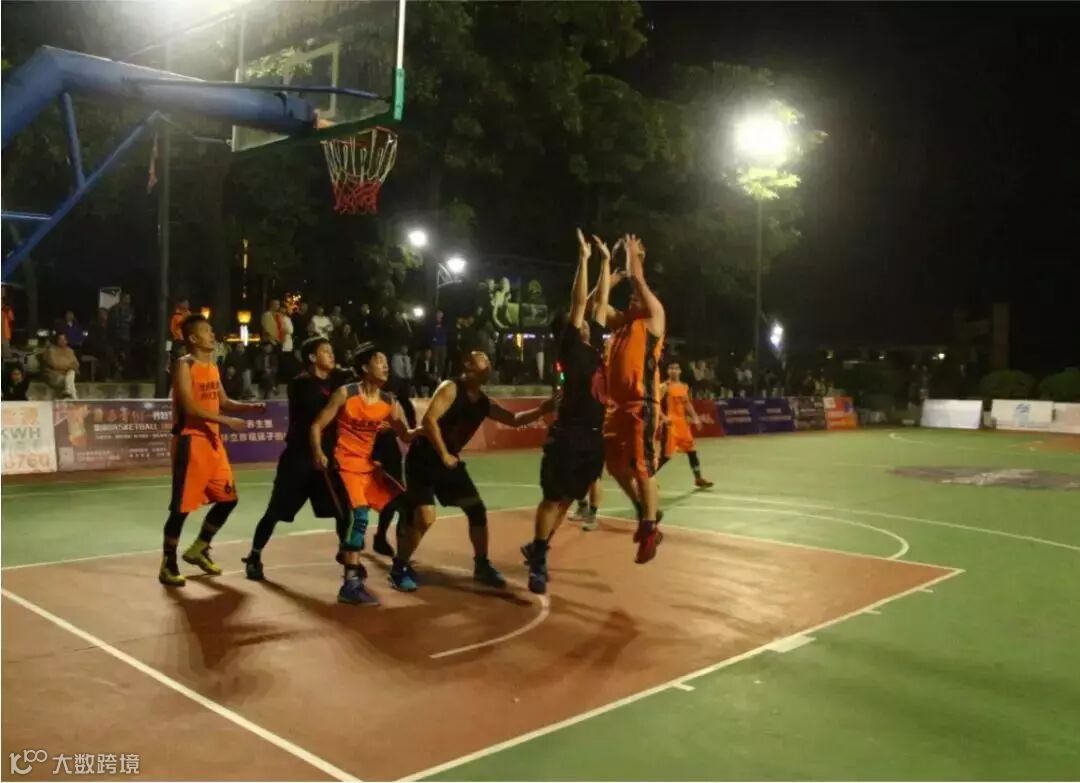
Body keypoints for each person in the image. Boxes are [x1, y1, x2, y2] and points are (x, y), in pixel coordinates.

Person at [390, 351, 557, 592]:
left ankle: (482, 565)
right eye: (481, 362)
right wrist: (444, 453)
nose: (486, 366)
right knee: (425, 517)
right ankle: (399, 567)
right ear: (467, 366)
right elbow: (429, 421)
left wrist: (542, 410)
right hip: (423, 459)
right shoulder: (450, 388)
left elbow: (513, 419)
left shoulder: (483, 402)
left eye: (488, 364)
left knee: (476, 510)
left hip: (449, 462)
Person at [521, 229, 609, 595]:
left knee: (571, 496)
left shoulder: (594, 345)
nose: (587, 320)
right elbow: (580, 303)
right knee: (553, 498)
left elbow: (600, 302)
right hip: (569, 435)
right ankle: (539, 559)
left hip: (593, 437)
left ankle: (537, 547)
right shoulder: (571, 347)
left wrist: (607, 262)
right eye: (580, 320)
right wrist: (584, 260)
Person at [159, 314, 264, 587]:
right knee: (181, 508)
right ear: (193, 338)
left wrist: (248, 407)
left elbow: (224, 401)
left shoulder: (213, 366)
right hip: (190, 442)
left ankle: (199, 547)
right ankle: (168, 564)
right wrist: (226, 420)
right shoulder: (184, 365)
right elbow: (189, 407)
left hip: (213, 443)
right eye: (206, 331)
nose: (212, 334)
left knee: (228, 499)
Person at [310, 347, 417, 605]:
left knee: (408, 508)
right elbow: (316, 425)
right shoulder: (346, 394)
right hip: (345, 465)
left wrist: (427, 429)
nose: (385, 366)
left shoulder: (388, 402)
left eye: (386, 361)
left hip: (369, 468)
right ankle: (350, 584)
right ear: (365, 368)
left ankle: (399, 567)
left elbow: (405, 434)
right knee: (359, 518)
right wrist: (318, 452)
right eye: (379, 361)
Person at [242, 337, 353, 581]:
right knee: (275, 512)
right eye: (325, 351)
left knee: (343, 510)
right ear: (312, 357)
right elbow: (319, 411)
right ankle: (254, 555)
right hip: (299, 458)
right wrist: (341, 394)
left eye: (332, 351)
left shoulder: (336, 381)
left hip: (326, 457)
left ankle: (347, 555)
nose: (331, 355)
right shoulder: (302, 384)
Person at [593, 234, 666, 564]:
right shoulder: (622, 322)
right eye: (632, 294)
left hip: (642, 405)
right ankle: (643, 510)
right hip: (616, 408)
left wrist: (633, 258)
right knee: (614, 466)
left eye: (639, 292)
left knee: (641, 466)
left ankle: (649, 529)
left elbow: (639, 279)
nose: (635, 295)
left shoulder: (654, 316)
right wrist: (612, 273)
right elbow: (595, 305)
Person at [658, 361, 713, 489]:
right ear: (667, 371)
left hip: (683, 425)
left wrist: (695, 418)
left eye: (676, 368)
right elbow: (655, 404)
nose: (674, 371)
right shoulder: (664, 387)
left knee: (692, 451)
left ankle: (698, 478)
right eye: (671, 368)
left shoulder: (684, 386)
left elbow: (687, 404)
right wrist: (663, 417)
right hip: (671, 425)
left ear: (680, 371)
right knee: (666, 456)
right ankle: (646, 479)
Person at [42, 333, 79, 399]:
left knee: (71, 373)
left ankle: (68, 393)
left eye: (64, 339)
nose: (63, 341)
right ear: (57, 341)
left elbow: (76, 364)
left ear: (67, 341)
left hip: (67, 375)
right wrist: (69, 366)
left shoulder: (70, 351)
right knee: (70, 378)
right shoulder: (52, 350)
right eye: (60, 339)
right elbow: (56, 365)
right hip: (56, 376)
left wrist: (68, 367)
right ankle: (74, 398)